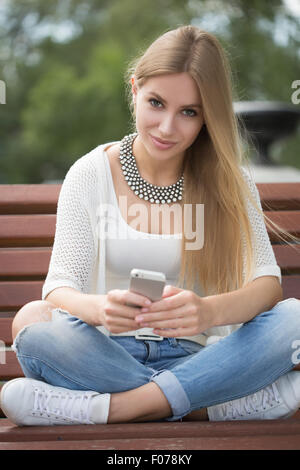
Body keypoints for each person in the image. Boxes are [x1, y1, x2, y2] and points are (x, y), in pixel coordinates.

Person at [1, 25, 300, 426]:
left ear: (207, 118)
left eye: (189, 112)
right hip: (105, 355)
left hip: (202, 356)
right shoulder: (90, 172)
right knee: (31, 322)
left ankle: (114, 410)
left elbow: (267, 285)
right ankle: (204, 407)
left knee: (294, 319)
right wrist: (100, 310)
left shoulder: (230, 180)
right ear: (134, 89)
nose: (166, 127)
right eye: (156, 103)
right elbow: (58, 288)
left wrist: (206, 312)